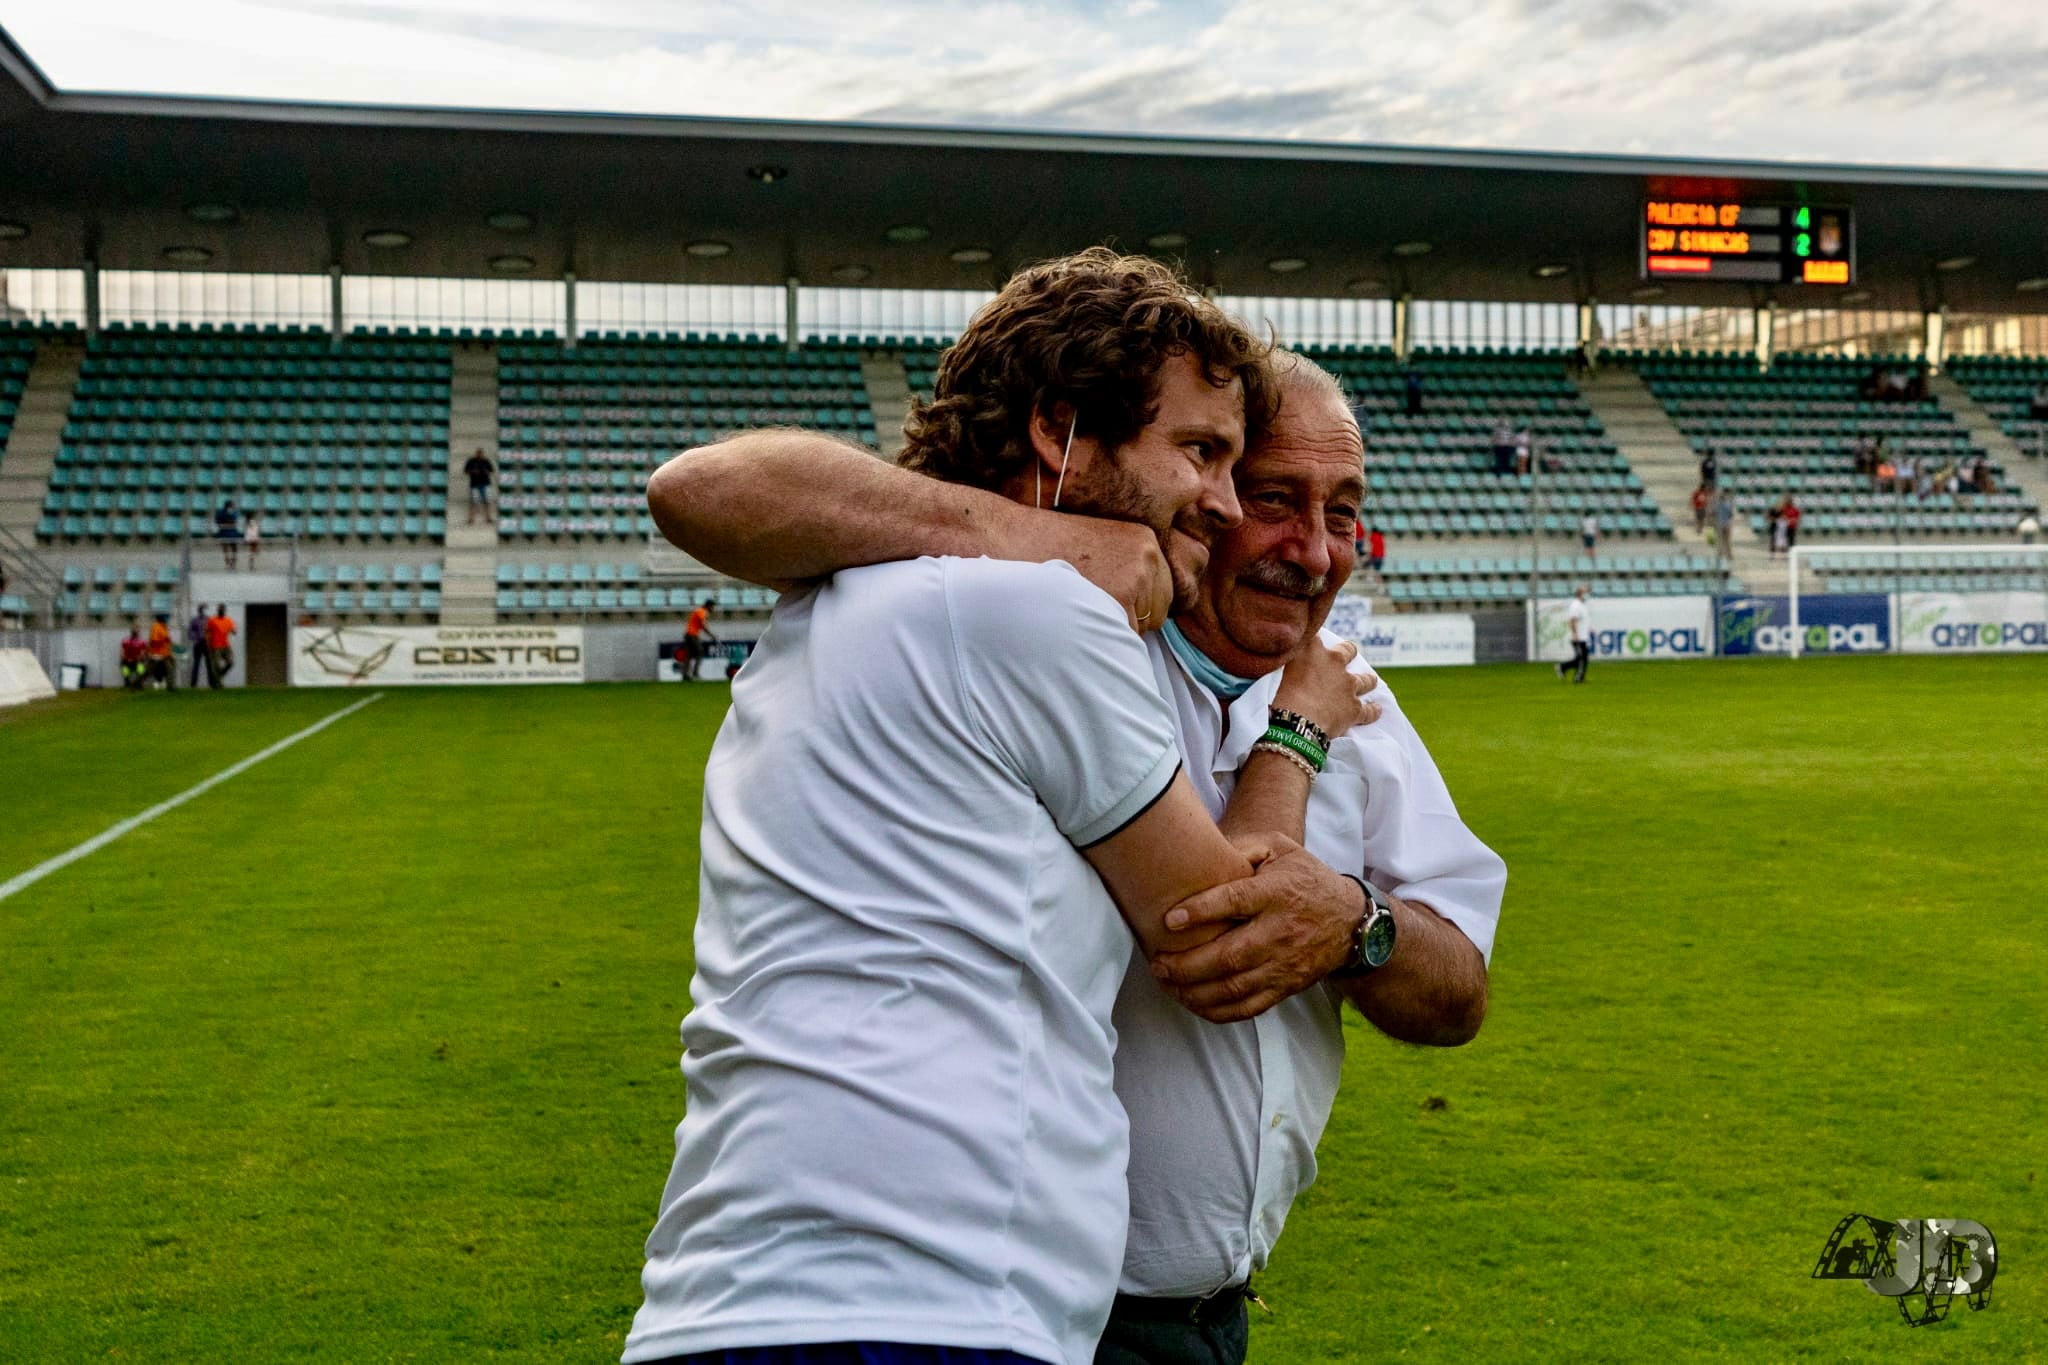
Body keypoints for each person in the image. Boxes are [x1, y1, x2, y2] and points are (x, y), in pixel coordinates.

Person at [644, 350, 1504, 1365]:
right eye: (1267, 495)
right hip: (1015, 1300)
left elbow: (1455, 990)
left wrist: (1358, 924)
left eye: (1343, 513)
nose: (1312, 551)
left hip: (1179, 1315)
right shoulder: (1055, 624)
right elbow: (1221, 928)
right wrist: (1289, 742)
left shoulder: (1352, 696)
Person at [1556, 584, 1592, 683]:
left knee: (1582, 658)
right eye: (1586, 592)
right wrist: (1575, 634)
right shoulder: (1576, 605)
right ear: (1580, 594)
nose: (1588, 594)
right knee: (1582, 659)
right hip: (1578, 637)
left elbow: (1582, 620)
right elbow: (1572, 620)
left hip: (1583, 636)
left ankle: (1563, 667)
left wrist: (1589, 629)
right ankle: (1578, 677)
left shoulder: (1582, 605)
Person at [681, 597, 717, 680]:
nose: (713, 609)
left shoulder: (699, 611)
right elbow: (703, 625)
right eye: (712, 606)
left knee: (688, 655)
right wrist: (712, 635)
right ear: (708, 606)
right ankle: (695, 673)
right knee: (700, 652)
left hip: (688, 634)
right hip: (692, 635)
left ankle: (685, 675)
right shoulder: (702, 612)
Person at [205, 604, 236, 688]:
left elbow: (233, 630)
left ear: (224, 611)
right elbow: (207, 632)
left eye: (222, 609)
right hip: (215, 646)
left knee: (230, 662)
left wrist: (233, 631)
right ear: (217, 610)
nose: (221, 611)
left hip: (226, 645)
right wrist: (208, 643)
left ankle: (219, 675)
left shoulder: (228, 620)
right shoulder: (212, 620)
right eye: (219, 609)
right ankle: (218, 683)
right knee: (216, 665)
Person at [464, 447, 495, 523]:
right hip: (474, 484)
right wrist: (472, 471)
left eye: (481, 454)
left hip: (485, 483)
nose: (479, 455)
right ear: (476, 454)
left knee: (487, 501)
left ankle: (488, 517)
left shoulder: (486, 461)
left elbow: (491, 470)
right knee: (474, 502)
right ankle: (471, 518)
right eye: (478, 453)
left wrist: (486, 471)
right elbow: (465, 471)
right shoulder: (471, 461)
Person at [145, 614, 174, 690]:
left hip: (164, 653)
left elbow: (166, 639)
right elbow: (154, 641)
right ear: (161, 619)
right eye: (165, 618)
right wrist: (164, 640)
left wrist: (168, 642)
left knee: (170, 669)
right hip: (157, 654)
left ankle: (170, 686)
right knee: (149, 671)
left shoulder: (163, 627)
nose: (166, 620)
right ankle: (136, 683)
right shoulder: (156, 627)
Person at [186, 606, 211, 687]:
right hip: (198, 643)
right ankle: (193, 683)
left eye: (203, 610)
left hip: (206, 643)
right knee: (196, 664)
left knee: (209, 664)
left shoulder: (208, 619)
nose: (202, 611)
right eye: (200, 610)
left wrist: (209, 639)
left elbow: (211, 631)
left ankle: (212, 682)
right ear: (198, 611)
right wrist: (196, 639)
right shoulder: (194, 620)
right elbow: (190, 632)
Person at [119, 622, 147, 690]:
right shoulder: (125, 640)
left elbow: (143, 654)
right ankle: (127, 684)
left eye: (136, 629)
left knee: (141, 668)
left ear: (138, 631)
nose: (135, 630)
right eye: (133, 629)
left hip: (137, 661)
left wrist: (136, 659)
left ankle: (139, 684)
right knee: (123, 666)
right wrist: (126, 658)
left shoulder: (142, 641)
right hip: (127, 660)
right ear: (131, 630)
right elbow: (122, 652)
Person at [215, 498, 240, 568]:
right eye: (231, 506)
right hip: (224, 533)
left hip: (233, 533)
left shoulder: (234, 512)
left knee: (234, 548)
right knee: (225, 547)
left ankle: (233, 561)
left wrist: (228, 524)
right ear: (227, 506)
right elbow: (219, 524)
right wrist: (227, 525)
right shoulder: (220, 512)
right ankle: (227, 561)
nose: (232, 507)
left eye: (232, 506)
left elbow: (235, 523)